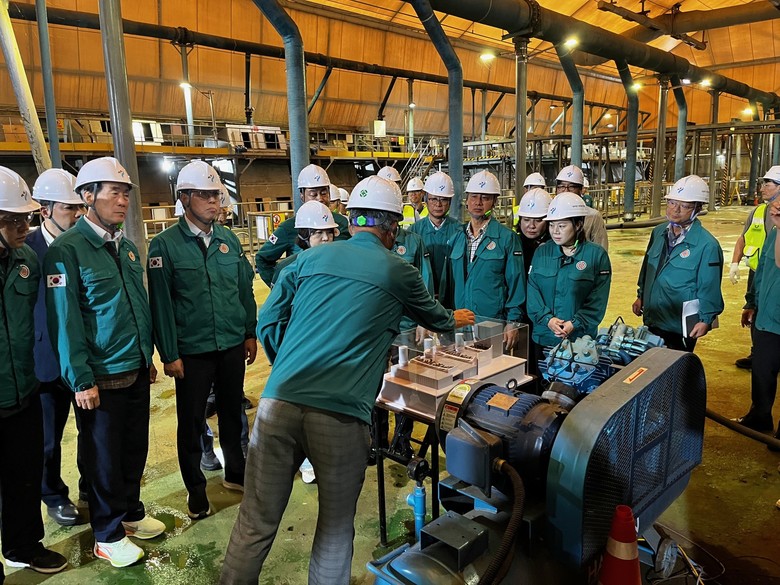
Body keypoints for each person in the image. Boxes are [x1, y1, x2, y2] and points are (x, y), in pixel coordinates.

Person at [220, 175, 475, 585]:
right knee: (335, 530)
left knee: (254, 522)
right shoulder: (399, 270)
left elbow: (268, 319)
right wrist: (456, 318)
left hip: (276, 405)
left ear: (351, 221)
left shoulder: (309, 259)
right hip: (339, 418)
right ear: (392, 227)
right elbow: (437, 319)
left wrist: (288, 366)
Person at [45, 157, 165, 568]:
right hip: (100, 376)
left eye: (126, 193)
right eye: (115, 192)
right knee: (103, 458)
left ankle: (130, 513)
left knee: (134, 449)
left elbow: (137, 307)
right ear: (87, 196)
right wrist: (80, 379)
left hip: (134, 368)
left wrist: (146, 356)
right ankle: (107, 533)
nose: (123, 201)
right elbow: (65, 321)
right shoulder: (67, 251)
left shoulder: (125, 247)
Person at [147, 161, 257, 519]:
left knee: (232, 413)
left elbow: (244, 290)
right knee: (192, 422)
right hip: (192, 352)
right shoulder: (164, 246)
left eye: (216, 195)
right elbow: (161, 305)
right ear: (184, 198)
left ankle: (236, 473)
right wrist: (169, 353)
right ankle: (195, 490)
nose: (214, 201)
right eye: (205, 195)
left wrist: (249, 332)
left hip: (230, 345)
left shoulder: (228, 240)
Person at [0, 166, 68, 576]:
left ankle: (23, 545)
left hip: (23, 387)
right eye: (12, 220)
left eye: (25, 218)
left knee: (24, 473)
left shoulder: (27, 259)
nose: (24, 227)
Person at [27, 168, 87, 527]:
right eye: (69, 208)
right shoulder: (27, 250)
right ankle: (52, 495)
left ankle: (90, 488)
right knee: (48, 439)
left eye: (80, 207)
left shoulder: (84, 245)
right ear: (45, 210)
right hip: (46, 361)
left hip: (84, 358)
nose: (77, 214)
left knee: (91, 433)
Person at [632, 175, 724, 352]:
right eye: (672, 202)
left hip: (679, 325)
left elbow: (709, 287)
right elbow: (647, 269)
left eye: (685, 206)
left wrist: (706, 319)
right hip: (653, 317)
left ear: (698, 208)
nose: (676, 209)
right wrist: (641, 295)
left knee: (675, 365)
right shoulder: (658, 233)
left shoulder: (707, 245)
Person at [444, 169, 525, 349]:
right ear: (467, 200)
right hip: (460, 323)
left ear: (494, 201)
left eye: (485, 198)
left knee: (491, 366)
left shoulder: (507, 238)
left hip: (492, 323)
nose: (478, 202)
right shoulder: (456, 237)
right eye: (474, 197)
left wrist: (512, 322)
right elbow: (448, 285)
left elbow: (516, 284)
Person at [526, 192, 612, 351]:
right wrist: (547, 320)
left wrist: (575, 323)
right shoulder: (542, 253)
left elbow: (598, 299)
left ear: (578, 224)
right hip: (544, 336)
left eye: (562, 226)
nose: (555, 231)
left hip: (579, 340)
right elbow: (533, 291)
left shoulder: (596, 255)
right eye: (552, 225)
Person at [255, 164, 349, 287]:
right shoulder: (288, 227)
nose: (320, 199)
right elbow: (262, 259)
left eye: (324, 193)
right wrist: (281, 287)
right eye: (313, 194)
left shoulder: (342, 223)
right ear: (302, 196)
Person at [734, 195, 780, 438]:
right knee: (763, 369)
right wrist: (751, 302)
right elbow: (762, 269)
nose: (777, 206)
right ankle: (760, 416)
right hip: (767, 317)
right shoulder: (774, 233)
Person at [728, 166, 780, 370]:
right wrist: (734, 263)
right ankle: (758, 352)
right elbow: (743, 238)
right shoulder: (758, 211)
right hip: (758, 273)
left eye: (768, 184)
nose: (762, 188)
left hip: (775, 275)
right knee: (756, 314)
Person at [409, 171, 461, 297]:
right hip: (422, 297)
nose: (438, 204)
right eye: (433, 199)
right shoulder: (413, 231)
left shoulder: (460, 231)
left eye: (443, 199)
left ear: (450, 201)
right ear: (426, 199)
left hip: (452, 296)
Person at [555, 165, 609, 251]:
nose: (566, 190)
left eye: (571, 187)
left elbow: (601, 250)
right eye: (561, 186)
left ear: (581, 190)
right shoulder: (550, 214)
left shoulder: (593, 216)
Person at [514, 187, 552, 275]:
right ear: (520, 220)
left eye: (538, 220)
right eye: (526, 220)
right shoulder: (512, 244)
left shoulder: (556, 247)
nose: (531, 226)